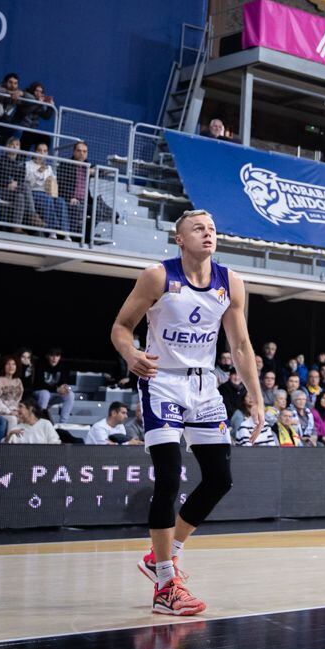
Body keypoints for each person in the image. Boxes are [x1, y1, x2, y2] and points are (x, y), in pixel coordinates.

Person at [110, 208, 265, 617]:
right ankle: (165, 585)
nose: (208, 233)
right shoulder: (157, 275)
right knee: (168, 476)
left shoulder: (231, 281)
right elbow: (121, 327)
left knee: (219, 479)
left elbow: (242, 346)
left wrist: (257, 398)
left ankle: (164, 555)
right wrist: (130, 353)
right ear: (180, 239)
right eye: (198, 228)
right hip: (161, 379)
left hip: (203, 384)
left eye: (212, 228)